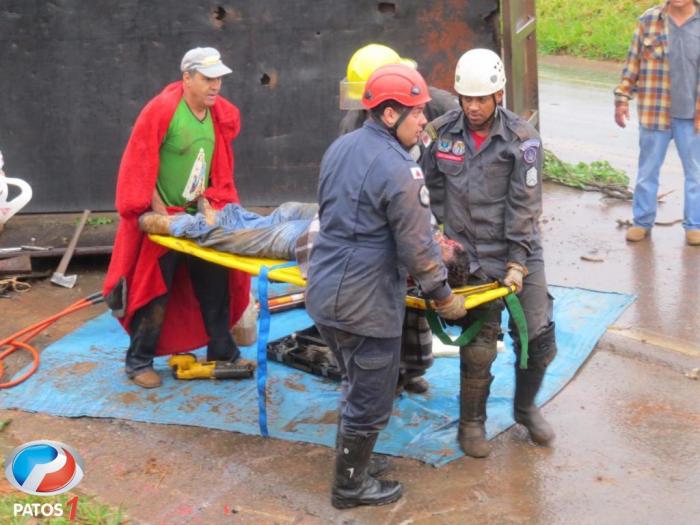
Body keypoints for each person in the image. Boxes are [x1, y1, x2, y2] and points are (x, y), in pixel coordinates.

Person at [305, 64, 467, 508]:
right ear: (391, 114)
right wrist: (445, 298)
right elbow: (419, 248)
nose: (423, 121)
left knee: (356, 383)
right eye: (416, 113)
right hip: (366, 303)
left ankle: (356, 462)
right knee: (371, 398)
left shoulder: (341, 148)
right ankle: (350, 487)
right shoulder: (401, 170)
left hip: (323, 292)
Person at [420, 48, 557, 458]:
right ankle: (471, 423)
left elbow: (525, 207)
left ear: (499, 94)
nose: (473, 107)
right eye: (466, 98)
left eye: (481, 98)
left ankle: (525, 407)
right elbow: (428, 190)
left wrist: (517, 263)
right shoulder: (442, 133)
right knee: (478, 344)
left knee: (539, 337)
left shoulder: (522, 140)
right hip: (469, 256)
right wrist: (440, 244)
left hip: (518, 250)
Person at [103, 47, 252, 389]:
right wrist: (156, 211)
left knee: (217, 285)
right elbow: (140, 164)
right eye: (207, 78)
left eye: (218, 78)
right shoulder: (162, 110)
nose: (215, 85)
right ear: (187, 77)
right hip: (165, 220)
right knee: (154, 292)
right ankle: (138, 362)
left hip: (197, 218)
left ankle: (222, 352)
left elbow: (211, 167)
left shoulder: (216, 115)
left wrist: (209, 204)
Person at [338, 43, 461, 394]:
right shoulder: (354, 125)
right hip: (382, 221)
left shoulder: (438, 106)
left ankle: (412, 368)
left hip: (426, 206)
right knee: (388, 297)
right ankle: (385, 377)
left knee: (417, 293)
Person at [615, 0, 700, 245]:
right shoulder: (648, 21)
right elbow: (632, 65)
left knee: (695, 173)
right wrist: (622, 98)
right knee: (647, 171)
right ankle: (642, 222)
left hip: (693, 117)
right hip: (655, 112)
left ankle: (694, 225)